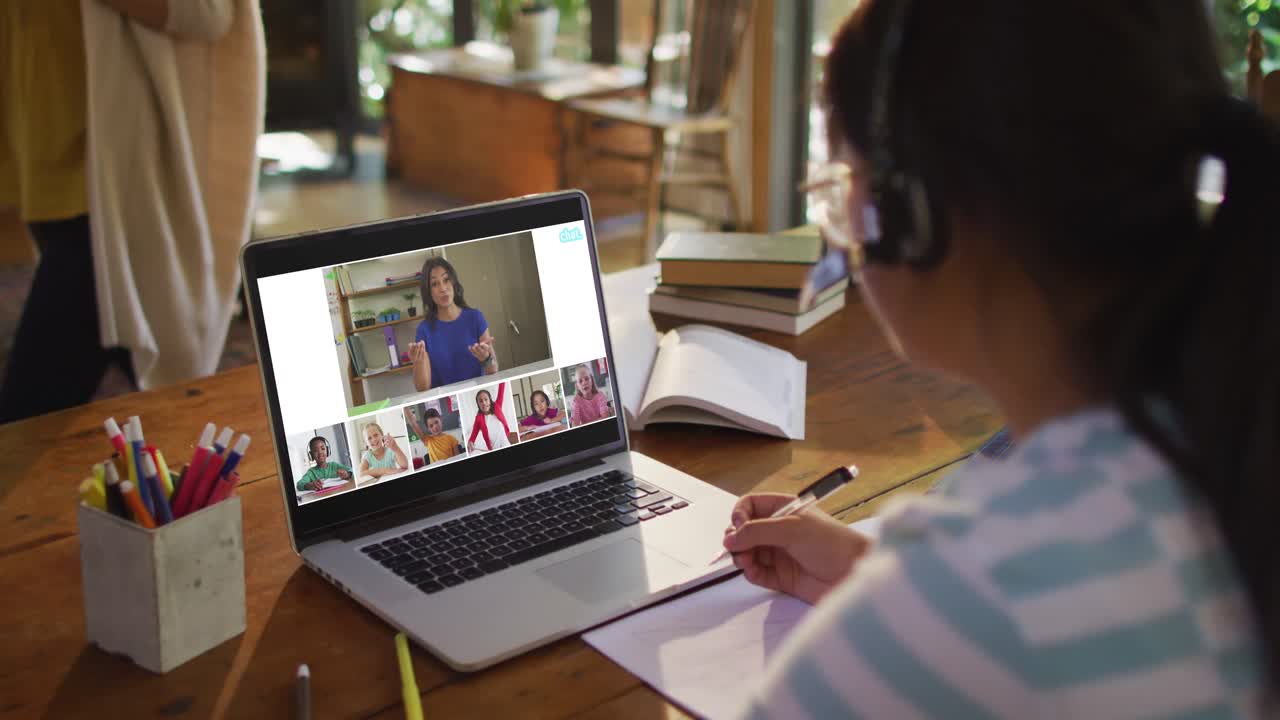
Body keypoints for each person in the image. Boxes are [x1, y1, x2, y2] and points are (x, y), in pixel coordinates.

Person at [723, 2, 1275, 717]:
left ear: (917, 212)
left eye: (842, 186)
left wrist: (917, 613)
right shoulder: (1226, 438)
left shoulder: (981, 587)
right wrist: (879, 580)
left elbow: (1011, 605)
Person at [0, 0, 264, 423]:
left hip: (114, 190)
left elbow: (209, 12)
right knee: (151, 389)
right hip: (45, 165)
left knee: (25, 418)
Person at [408, 257, 499, 391]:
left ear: (453, 282)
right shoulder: (424, 330)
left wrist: (486, 359)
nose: (443, 288)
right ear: (429, 291)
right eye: (435, 284)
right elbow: (422, 388)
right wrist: (418, 362)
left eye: (446, 280)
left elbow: (493, 370)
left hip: (477, 394)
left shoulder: (475, 317)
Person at [467, 389, 512, 454]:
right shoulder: (478, 419)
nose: (484, 403)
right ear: (478, 404)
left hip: (507, 446)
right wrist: (470, 442)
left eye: (486, 399)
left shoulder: (497, 406)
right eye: (481, 401)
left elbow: (501, 388)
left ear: (490, 400)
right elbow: (473, 435)